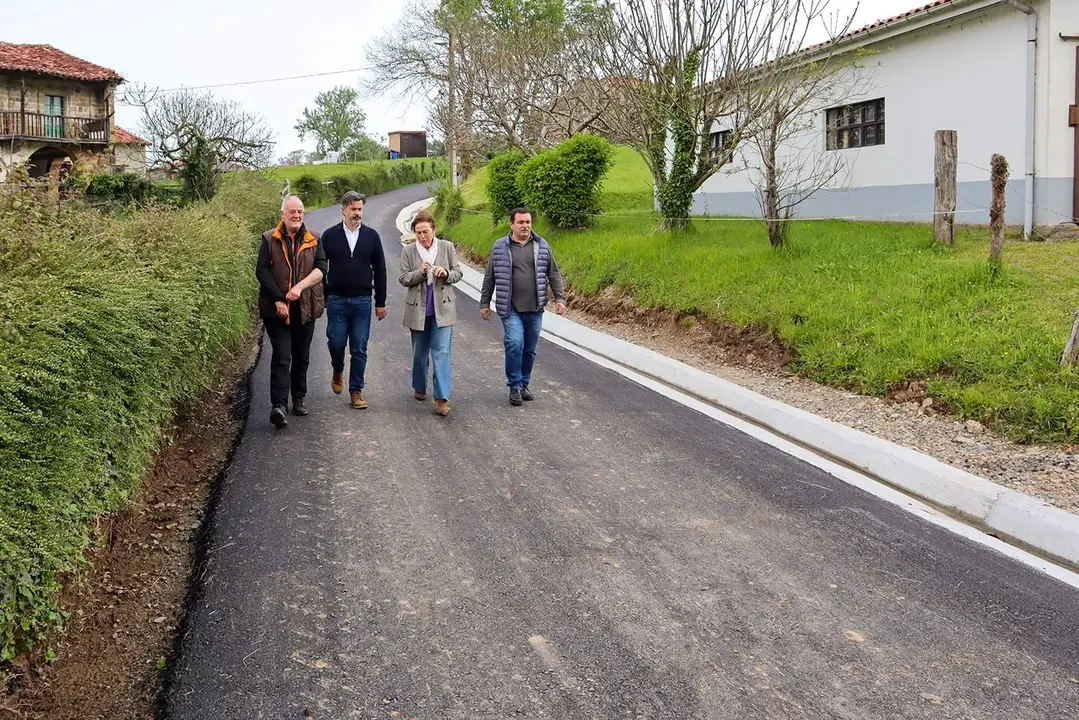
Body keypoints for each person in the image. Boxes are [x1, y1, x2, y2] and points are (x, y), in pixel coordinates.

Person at [479, 207, 567, 406]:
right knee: (514, 344)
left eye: (528, 222)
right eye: (521, 222)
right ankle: (514, 385)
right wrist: (485, 302)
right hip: (510, 308)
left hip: (535, 308)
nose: (525, 226)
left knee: (529, 349)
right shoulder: (500, 246)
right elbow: (489, 276)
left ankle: (524, 383)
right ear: (512, 224)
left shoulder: (541, 245)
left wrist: (560, 298)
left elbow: (553, 273)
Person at [256, 195, 327, 428]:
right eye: (292, 212)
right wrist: (278, 299)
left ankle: (298, 397)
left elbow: (321, 269)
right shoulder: (269, 239)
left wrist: (299, 287)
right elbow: (262, 272)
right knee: (282, 355)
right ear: (282, 214)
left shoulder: (314, 238)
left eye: (300, 212)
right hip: (277, 310)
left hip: (305, 306)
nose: (296, 215)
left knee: (302, 355)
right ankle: (279, 405)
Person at [320, 191, 388, 409]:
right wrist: (323, 298)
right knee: (337, 342)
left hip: (362, 300)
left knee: (359, 347)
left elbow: (380, 269)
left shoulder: (372, 236)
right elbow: (321, 268)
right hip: (337, 299)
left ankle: (356, 390)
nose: (357, 213)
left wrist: (380, 302)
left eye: (360, 209)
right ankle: (338, 368)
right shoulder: (329, 236)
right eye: (353, 209)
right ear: (343, 210)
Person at [398, 209, 463, 416]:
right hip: (418, 308)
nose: (422, 236)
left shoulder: (446, 247)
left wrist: (445, 273)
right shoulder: (408, 251)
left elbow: (458, 273)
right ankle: (419, 385)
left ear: (433, 230)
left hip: (442, 307)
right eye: (418, 233)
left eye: (425, 231)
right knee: (420, 352)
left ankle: (441, 397)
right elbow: (403, 278)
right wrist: (420, 272)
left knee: (441, 353)